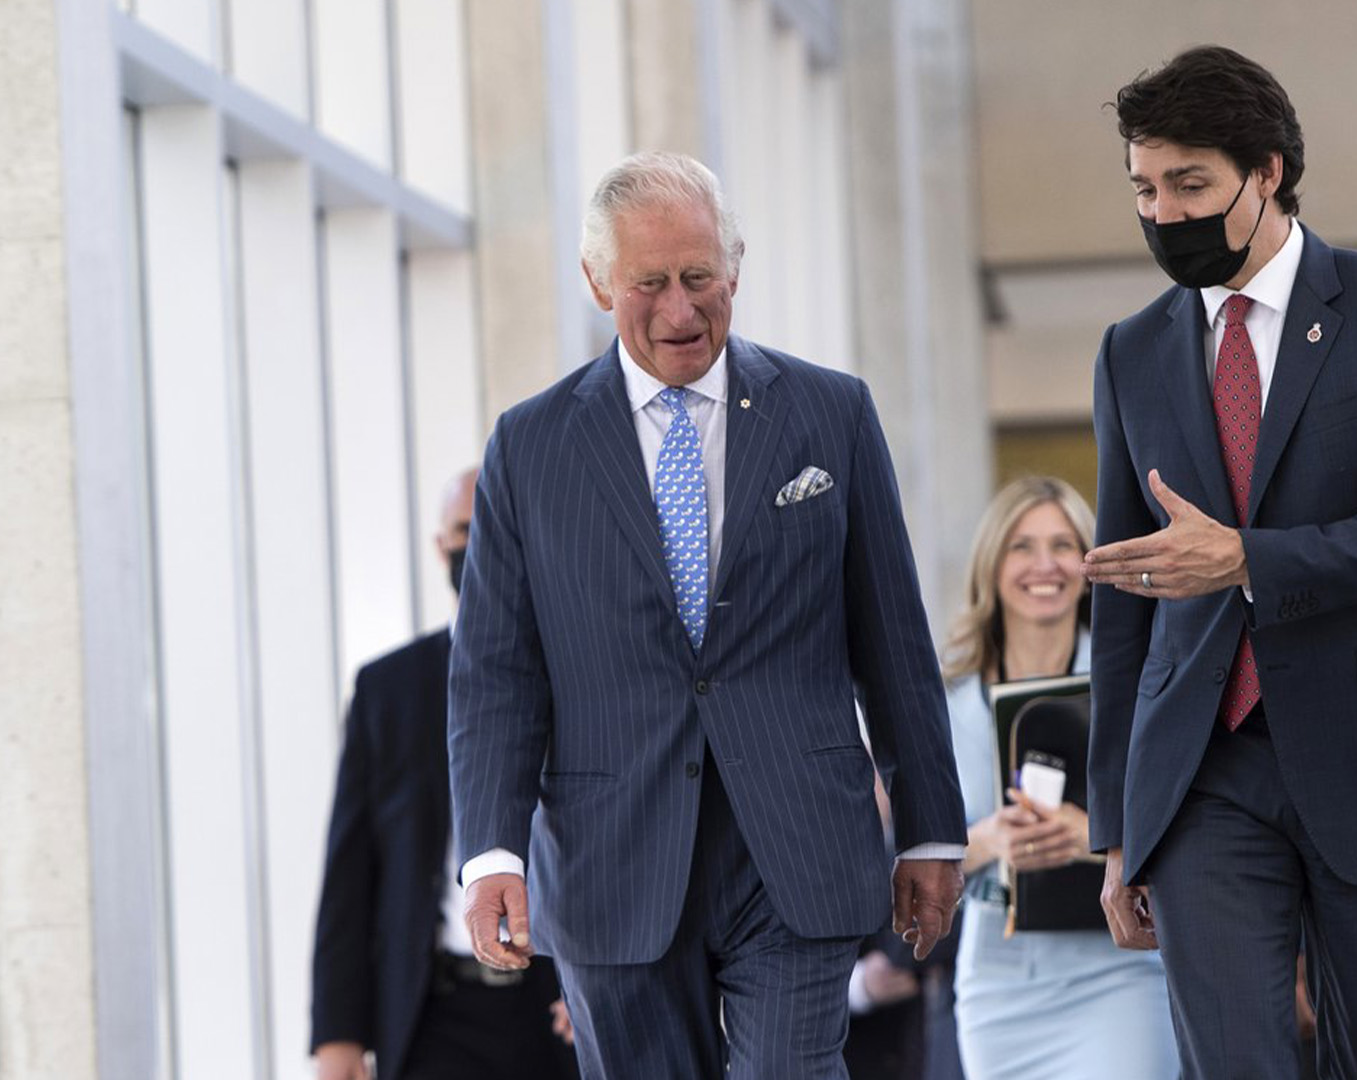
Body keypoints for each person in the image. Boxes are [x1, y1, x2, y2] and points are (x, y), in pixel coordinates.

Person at [448, 151, 967, 1079]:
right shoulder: (530, 447)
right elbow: (496, 671)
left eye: (700, 278)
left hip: (797, 846)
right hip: (613, 858)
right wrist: (492, 850)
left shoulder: (829, 414)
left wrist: (930, 828)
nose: (682, 311)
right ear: (598, 280)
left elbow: (890, 638)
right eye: (651, 283)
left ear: (735, 267)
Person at [1079, 45, 1357, 1079]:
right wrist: (1117, 826)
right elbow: (1123, 597)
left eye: (1190, 184)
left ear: (1266, 171)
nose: (1163, 213)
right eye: (1145, 189)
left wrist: (1247, 559)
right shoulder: (1129, 352)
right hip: (1202, 772)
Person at [310, 468, 578, 1080]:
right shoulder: (389, 690)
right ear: (440, 547)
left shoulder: (584, 675)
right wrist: (338, 1035)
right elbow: (351, 872)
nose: (477, 545)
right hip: (434, 1013)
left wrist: (604, 977)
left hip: (561, 1006)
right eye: (464, 531)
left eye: (493, 530)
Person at [942, 477, 1179, 1079]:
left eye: (1062, 544)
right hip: (997, 983)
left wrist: (1100, 837)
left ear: (1090, 561)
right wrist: (988, 842)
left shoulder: (1139, 681)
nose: (1043, 565)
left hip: (1118, 971)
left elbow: (1192, 815)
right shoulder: (943, 699)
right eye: (1021, 546)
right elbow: (900, 850)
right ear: (992, 563)